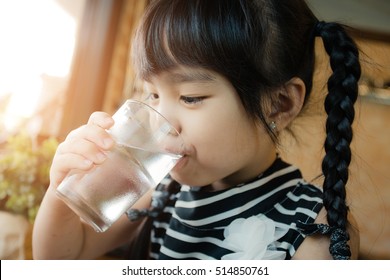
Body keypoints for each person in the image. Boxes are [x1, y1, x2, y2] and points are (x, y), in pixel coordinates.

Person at [33, 0, 361, 260]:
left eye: (190, 97)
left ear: (279, 104)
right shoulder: (161, 193)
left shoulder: (316, 224)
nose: (163, 122)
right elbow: (63, 256)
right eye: (153, 94)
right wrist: (62, 191)